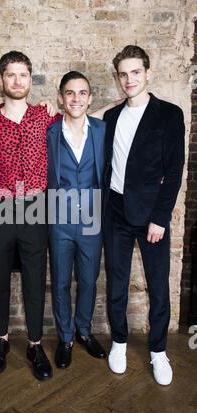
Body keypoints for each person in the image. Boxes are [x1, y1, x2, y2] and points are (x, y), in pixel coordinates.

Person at [103, 45, 185, 385]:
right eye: (123, 74)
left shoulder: (169, 114)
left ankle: (158, 351)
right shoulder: (110, 116)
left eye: (136, 72)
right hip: (115, 212)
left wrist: (160, 218)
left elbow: (175, 170)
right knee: (116, 283)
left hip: (151, 214)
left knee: (158, 286)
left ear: (147, 73)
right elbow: (80, 115)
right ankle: (119, 341)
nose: (129, 79)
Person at [0, 51, 61, 381]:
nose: (16, 81)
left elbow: (80, 116)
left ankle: (35, 344)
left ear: (30, 79)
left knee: (34, 277)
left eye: (22, 75)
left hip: (34, 206)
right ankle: (1, 340)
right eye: (10, 74)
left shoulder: (45, 117)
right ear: (0, 79)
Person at [47, 71, 107, 368]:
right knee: (60, 283)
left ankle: (84, 331)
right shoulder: (48, 131)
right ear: (61, 97)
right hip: (58, 220)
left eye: (82, 93)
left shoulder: (101, 129)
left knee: (88, 280)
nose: (76, 98)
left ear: (90, 98)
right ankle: (66, 337)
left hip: (92, 218)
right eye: (70, 93)